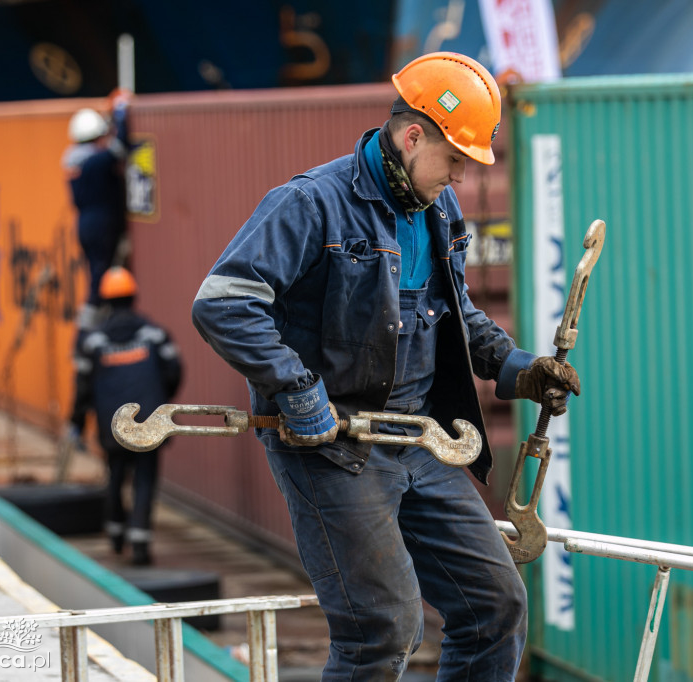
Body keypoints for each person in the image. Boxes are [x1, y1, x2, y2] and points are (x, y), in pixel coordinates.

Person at [191, 52, 581, 680]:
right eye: (454, 160)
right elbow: (224, 302)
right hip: (333, 446)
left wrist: (517, 369)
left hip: (419, 439)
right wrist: (296, 388)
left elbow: (457, 314)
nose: (458, 177)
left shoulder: (440, 212)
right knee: (384, 628)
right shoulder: (310, 204)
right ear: (413, 135)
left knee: (497, 606)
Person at [69, 266, 182, 566]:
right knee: (145, 477)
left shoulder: (93, 341)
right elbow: (174, 371)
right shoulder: (153, 334)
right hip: (148, 419)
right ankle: (141, 543)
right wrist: (161, 403)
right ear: (134, 296)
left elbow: (82, 385)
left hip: (112, 422)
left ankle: (116, 534)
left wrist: (77, 422)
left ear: (106, 300)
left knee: (115, 475)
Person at [62, 90, 131, 329]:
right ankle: (89, 328)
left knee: (97, 273)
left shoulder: (75, 159)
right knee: (101, 276)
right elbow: (120, 147)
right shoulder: (96, 161)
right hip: (102, 223)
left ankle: (98, 318)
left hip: (85, 224)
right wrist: (122, 110)